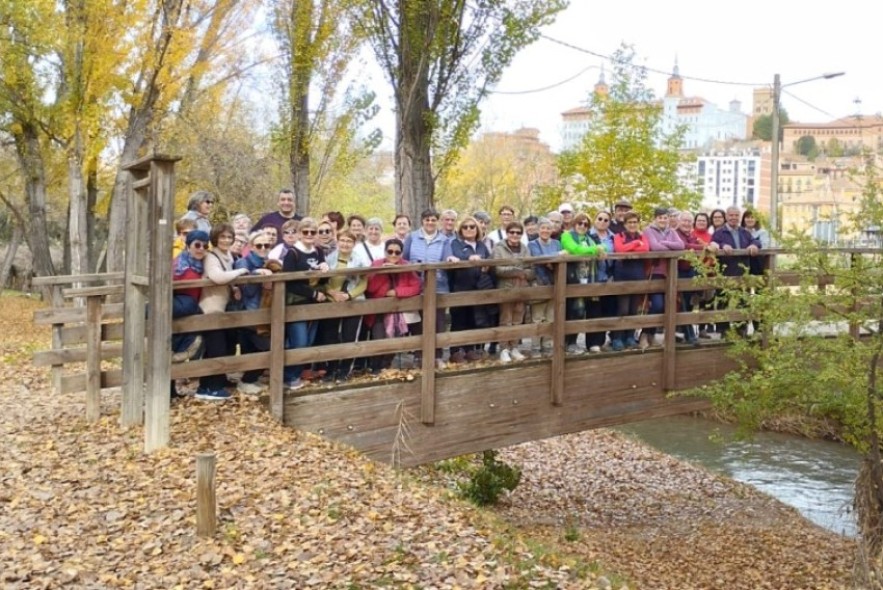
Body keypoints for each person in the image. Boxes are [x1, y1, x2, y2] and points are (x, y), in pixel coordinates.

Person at [196, 223, 251, 401]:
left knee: (223, 347)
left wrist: (234, 286)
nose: (226, 240)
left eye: (229, 237)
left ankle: (214, 383)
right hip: (210, 308)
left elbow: (227, 278)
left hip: (223, 308)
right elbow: (217, 277)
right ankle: (209, 387)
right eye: (222, 237)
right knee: (215, 348)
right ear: (215, 239)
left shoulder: (227, 255)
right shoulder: (211, 257)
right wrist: (240, 271)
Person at [281, 217, 330, 390]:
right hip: (297, 303)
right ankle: (288, 376)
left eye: (313, 232)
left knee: (308, 340)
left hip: (314, 304)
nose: (309, 235)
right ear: (300, 234)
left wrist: (325, 268)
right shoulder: (292, 253)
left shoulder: (318, 251)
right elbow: (290, 282)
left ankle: (296, 375)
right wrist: (313, 293)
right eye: (305, 232)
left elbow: (323, 278)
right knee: (298, 341)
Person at [315, 230, 367, 382]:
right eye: (342, 240)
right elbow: (322, 281)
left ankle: (345, 370)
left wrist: (349, 295)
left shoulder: (359, 260)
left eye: (349, 241)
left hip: (352, 302)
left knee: (349, 336)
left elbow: (364, 282)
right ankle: (331, 369)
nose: (345, 244)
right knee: (330, 337)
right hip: (332, 301)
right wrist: (331, 293)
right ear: (338, 241)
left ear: (354, 244)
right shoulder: (329, 259)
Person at [364, 238, 422, 373]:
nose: (393, 255)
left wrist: (396, 292)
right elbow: (371, 288)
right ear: (385, 252)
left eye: (397, 252)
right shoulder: (376, 265)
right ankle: (376, 367)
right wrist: (381, 273)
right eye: (390, 252)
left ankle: (387, 364)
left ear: (401, 253)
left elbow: (415, 287)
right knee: (379, 338)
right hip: (379, 310)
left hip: (399, 309)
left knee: (397, 337)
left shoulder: (406, 266)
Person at [403, 208, 451, 369]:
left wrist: (450, 259)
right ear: (422, 221)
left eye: (433, 220)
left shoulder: (444, 240)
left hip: (438, 285)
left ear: (437, 221)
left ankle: (437, 356)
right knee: (418, 322)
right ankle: (419, 356)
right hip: (416, 285)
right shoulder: (412, 237)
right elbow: (404, 259)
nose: (430, 223)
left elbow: (447, 258)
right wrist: (413, 266)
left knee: (438, 321)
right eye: (427, 220)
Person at [232, 230, 276, 394]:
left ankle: (250, 380)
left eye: (267, 245)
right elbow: (247, 290)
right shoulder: (244, 262)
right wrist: (258, 276)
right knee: (263, 347)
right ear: (251, 246)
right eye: (259, 245)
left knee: (255, 348)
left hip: (264, 312)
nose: (263, 248)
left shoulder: (270, 263)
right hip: (249, 312)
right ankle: (247, 380)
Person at [445, 216, 493, 363]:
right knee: (459, 320)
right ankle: (456, 351)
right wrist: (469, 258)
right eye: (465, 227)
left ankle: (470, 349)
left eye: (472, 227)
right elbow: (452, 258)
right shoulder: (455, 244)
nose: (469, 229)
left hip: (478, 287)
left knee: (474, 319)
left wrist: (485, 264)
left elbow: (489, 261)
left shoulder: (481, 245)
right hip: (460, 287)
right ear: (460, 230)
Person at [170, 230, 209, 399]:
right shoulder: (178, 265)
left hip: (191, 312)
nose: (201, 249)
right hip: (178, 309)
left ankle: (175, 387)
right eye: (197, 245)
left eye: (205, 246)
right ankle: (167, 390)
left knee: (184, 345)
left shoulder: (202, 264)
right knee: (172, 347)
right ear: (188, 245)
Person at [712, 206, 762, 336]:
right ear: (727, 217)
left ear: (739, 217)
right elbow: (713, 244)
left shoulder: (744, 232)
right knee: (723, 300)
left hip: (742, 272)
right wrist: (723, 246)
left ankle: (742, 329)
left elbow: (756, 241)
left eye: (736, 215)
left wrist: (754, 245)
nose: (734, 218)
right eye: (731, 215)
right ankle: (724, 330)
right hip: (725, 271)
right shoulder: (719, 232)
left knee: (742, 301)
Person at [560, 212, 606, 354]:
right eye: (580, 223)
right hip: (572, 279)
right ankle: (569, 342)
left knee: (588, 311)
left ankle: (589, 343)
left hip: (589, 279)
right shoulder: (567, 236)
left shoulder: (590, 238)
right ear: (574, 224)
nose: (582, 226)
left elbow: (604, 249)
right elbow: (575, 250)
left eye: (586, 224)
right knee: (574, 311)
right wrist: (595, 250)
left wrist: (599, 249)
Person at [641, 207, 685, 350]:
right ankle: (644, 333)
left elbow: (681, 245)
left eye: (665, 217)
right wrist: (669, 247)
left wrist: (665, 244)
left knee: (668, 305)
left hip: (670, 273)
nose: (663, 220)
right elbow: (654, 247)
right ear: (655, 218)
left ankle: (651, 334)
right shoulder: (648, 230)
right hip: (655, 272)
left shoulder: (672, 231)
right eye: (660, 217)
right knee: (658, 304)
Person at [493, 221, 535, 363]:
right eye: (512, 232)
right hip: (506, 288)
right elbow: (498, 269)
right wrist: (518, 271)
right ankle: (504, 349)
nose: (515, 235)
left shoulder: (524, 248)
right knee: (506, 319)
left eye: (518, 232)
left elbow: (531, 269)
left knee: (518, 319)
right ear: (507, 233)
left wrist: (522, 273)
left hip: (522, 288)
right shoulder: (499, 248)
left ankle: (514, 347)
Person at [610, 212, 649, 351]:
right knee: (623, 308)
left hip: (638, 273)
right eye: (629, 222)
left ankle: (630, 336)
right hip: (622, 274)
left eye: (635, 222)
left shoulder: (643, 236)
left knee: (633, 308)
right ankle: (617, 337)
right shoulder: (618, 236)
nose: (632, 225)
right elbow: (620, 249)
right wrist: (635, 243)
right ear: (625, 224)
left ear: (638, 223)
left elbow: (645, 248)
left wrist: (635, 245)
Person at [528, 217, 562, 357]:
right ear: (538, 229)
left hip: (555, 282)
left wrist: (550, 259)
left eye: (548, 228)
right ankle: (535, 346)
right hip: (539, 281)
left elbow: (560, 259)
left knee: (551, 317)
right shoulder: (532, 244)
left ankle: (547, 345)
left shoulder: (557, 243)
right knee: (537, 317)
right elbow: (538, 259)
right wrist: (553, 258)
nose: (545, 231)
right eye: (543, 228)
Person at [587, 210, 617, 352]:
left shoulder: (613, 237)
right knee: (594, 311)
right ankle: (592, 342)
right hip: (593, 277)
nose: (602, 222)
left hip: (609, 277)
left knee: (608, 310)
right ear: (595, 219)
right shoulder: (588, 235)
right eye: (600, 218)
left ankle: (602, 340)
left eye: (606, 220)